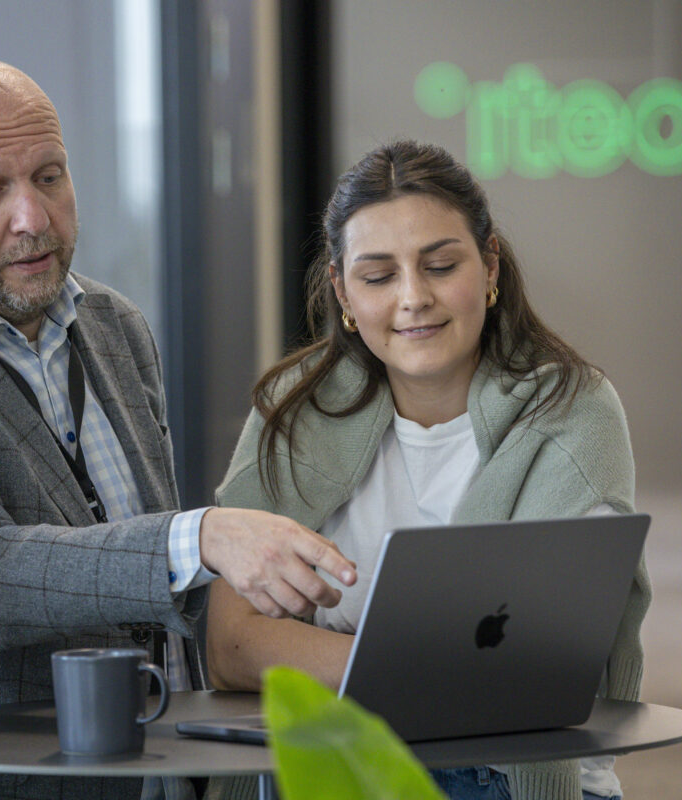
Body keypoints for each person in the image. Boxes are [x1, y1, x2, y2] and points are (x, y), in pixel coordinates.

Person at [0, 55, 357, 800]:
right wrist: (201, 538)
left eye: (50, 176)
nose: (34, 218)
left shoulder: (115, 326)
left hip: (153, 770)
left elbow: (139, 586)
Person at [205, 141, 651, 800]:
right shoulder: (294, 410)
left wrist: (332, 655)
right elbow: (230, 647)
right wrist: (426, 668)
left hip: (506, 774)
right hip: (341, 759)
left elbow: (542, 664)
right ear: (344, 295)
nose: (413, 298)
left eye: (440, 266)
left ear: (490, 264)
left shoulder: (574, 410)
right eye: (379, 277)